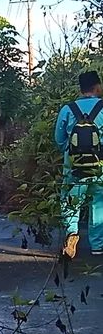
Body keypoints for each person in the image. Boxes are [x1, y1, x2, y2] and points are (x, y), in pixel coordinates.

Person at [55, 71, 103, 258]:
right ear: (97, 86)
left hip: (74, 167)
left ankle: (72, 234)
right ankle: (98, 245)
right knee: (98, 205)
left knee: (70, 203)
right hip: (100, 167)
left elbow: (59, 139)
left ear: (81, 89)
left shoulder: (68, 109)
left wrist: (70, 155)